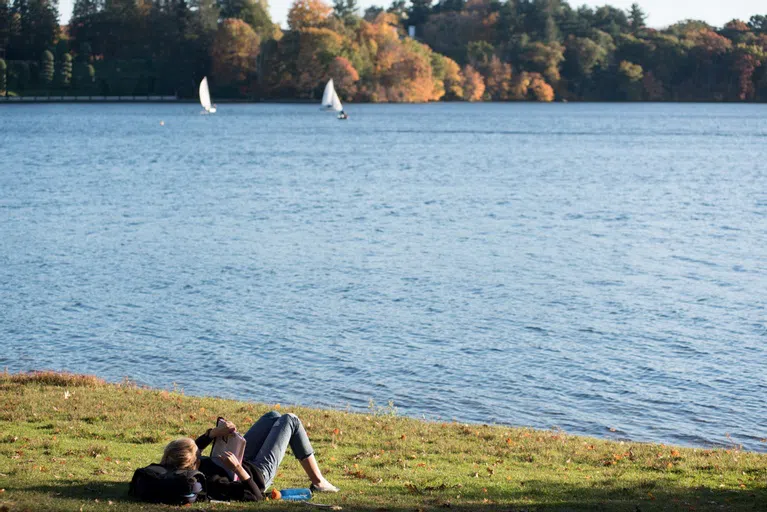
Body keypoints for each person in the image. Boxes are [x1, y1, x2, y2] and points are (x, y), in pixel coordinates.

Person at [161, 411, 339, 501]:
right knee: (290, 419)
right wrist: (237, 468)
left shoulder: (177, 463)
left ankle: (319, 481)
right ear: (194, 461)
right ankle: (319, 483)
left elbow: (195, 446)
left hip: (241, 459)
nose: (199, 448)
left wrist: (216, 432)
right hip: (258, 474)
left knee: (272, 416)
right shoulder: (211, 480)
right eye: (197, 451)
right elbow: (256, 496)